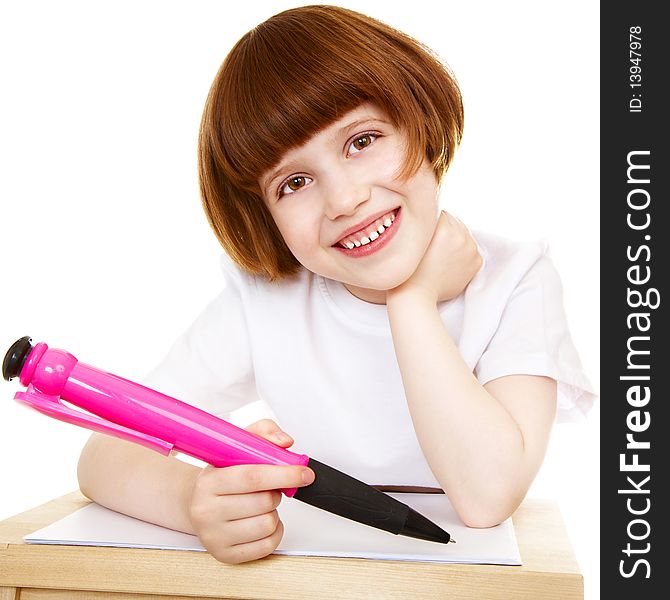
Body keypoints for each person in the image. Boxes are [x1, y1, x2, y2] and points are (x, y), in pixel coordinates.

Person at [77, 4, 595, 565]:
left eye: (362, 140)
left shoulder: (516, 279)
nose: (345, 200)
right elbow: (103, 453)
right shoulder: (267, 301)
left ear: (420, 124)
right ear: (264, 216)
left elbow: (487, 496)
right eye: (295, 182)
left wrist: (412, 300)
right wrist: (193, 501)